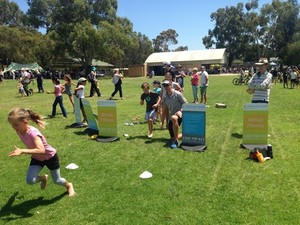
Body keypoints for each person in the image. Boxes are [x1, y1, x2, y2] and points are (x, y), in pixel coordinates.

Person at [7, 108, 75, 197]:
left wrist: (22, 151)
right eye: (12, 125)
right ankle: (43, 178)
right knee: (30, 180)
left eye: (15, 125)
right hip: (37, 158)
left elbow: (41, 150)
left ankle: (69, 186)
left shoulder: (33, 133)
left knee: (57, 180)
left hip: (50, 157)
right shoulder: (18, 130)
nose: (14, 127)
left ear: (25, 122)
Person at [161, 80, 187, 149]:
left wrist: (181, 111)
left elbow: (186, 103)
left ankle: (176, 141)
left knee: (174, 118)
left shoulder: (178, 94)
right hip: (171, 116)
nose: (166, 87)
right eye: (164, 85)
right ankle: (187, 136)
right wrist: (166, 122)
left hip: (180, 113)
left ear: (171, 85)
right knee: (173, 137)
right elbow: (166, 111)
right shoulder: (165, 97)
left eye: (167, 85)